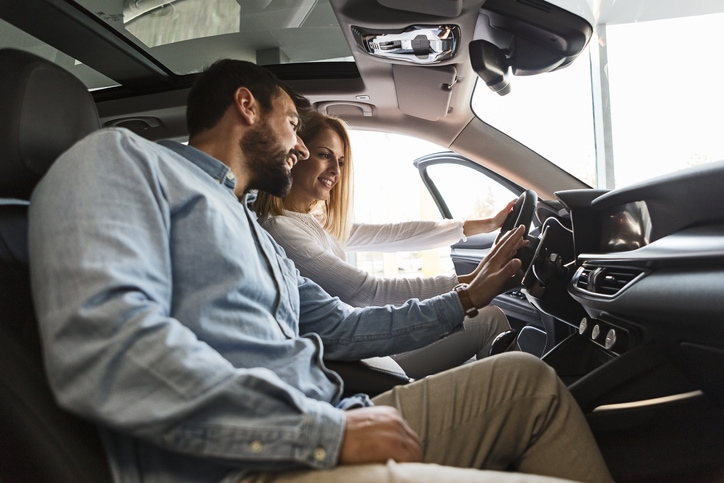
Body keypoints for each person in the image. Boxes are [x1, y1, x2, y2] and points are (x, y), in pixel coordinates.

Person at [28, 58, 613, 483]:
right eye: (291, 124)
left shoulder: (254, 228)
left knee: (525, 382)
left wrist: (462, 299)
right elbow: (106, 348)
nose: (303, 150)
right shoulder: (119, 159)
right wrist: (320, 434)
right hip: (253, 463)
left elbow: (343, 326)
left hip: (329, 416)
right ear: (246, 105)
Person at [254, 110, 518, 378]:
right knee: (489, 319)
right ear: (296, 154)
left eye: (342, 161)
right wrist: (470, 282)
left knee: (484, 325)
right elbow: (368, 293)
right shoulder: (280, 229)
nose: (335, 170)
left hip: (368, 347)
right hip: (366, 356)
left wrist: (486, 224)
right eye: (325, 155)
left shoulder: (314, 222)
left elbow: (397, 234)